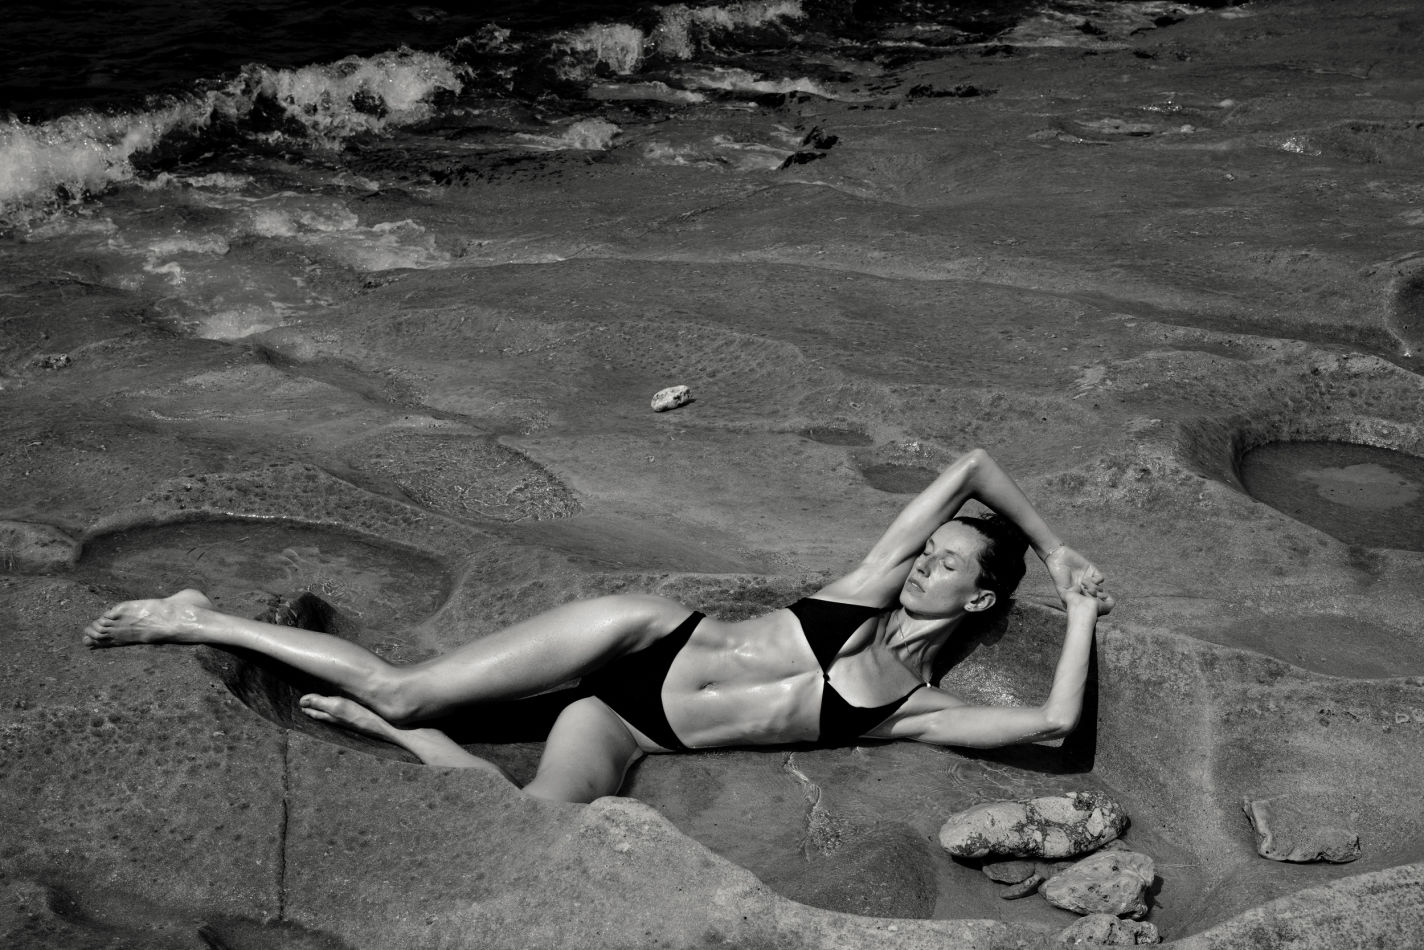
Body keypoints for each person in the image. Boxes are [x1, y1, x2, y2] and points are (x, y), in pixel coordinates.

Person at [85, 448, 1112, 804]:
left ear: (979, 600)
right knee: (403, 683)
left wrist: (1077, 614)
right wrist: (1055, 545)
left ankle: (396, 737)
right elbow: (973, 466)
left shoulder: (915, 709)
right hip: (643, 639)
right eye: (931, 547)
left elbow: (1053, 725)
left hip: (632, 726)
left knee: (536, 813)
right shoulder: (861, 590)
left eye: (948, 563)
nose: (926, 560)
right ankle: (199, 619)